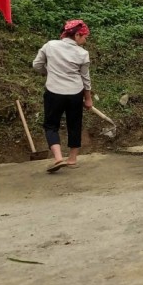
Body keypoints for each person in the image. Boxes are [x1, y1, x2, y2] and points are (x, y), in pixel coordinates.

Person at [32, 19, 93, 173]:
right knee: (75, 124)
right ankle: (72, 159)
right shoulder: (82, 53)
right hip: (75, 93)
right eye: (85, 37)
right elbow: (85, 78)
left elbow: (37, 65)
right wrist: (88, 98)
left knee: (51, 125)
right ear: (77, 35)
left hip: (54, 92)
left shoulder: (50, 46)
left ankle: (58, 157)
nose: (86, 40)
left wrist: (50, 72)